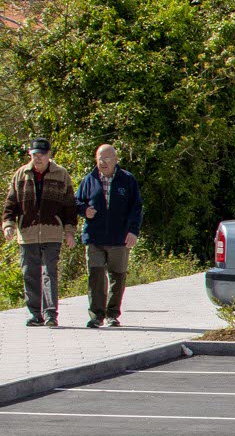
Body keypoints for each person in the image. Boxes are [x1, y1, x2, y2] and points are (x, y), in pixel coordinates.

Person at [2, 137, 77, 327]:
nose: (38, 158)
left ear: (49, 155)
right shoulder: (21, 175)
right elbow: (11, 204)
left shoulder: (61, 175)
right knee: (30, 274)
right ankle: (35, 314)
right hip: (27, 234)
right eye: (35, 155)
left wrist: (70, 231)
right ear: (30, 155)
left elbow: (69, 206)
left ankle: (50, 314)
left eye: (42, 155)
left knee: (49, 273)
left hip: (52, 232)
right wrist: (8, 224)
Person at [75, 143, 143, 328]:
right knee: (95, 277)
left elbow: (136, 208)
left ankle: (113, 314)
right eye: (99, 158)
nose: (103, 162)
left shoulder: (127, 180)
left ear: (115, 159)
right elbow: (76, 201)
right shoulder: (89, 180)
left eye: (107, 158)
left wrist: (133, 232)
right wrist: (83, 210)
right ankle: (96, 315)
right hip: (95, 238)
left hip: (119, 238)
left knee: (117, 276)